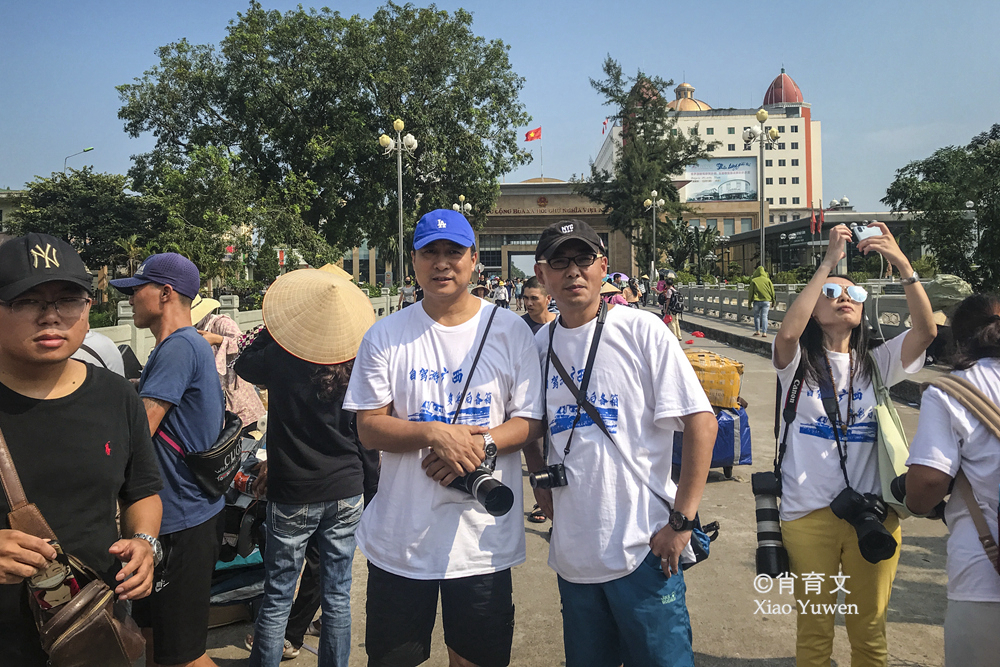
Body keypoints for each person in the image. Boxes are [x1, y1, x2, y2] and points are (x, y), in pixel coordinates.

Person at [343, 209, 545, 667]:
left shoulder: (510, 331)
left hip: (481, 543)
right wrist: (434, 433)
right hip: (402, 540)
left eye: (453, 251)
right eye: (429, 252)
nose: (441, 263)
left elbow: (530, 421)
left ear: (473, 259)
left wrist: (480, 446)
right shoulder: (386, 335)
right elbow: (368, 427)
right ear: (413, 261)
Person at [526, 219, 718, 667]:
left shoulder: (641, 330)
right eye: (560, 261)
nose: (573, 271)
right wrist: (538, 478)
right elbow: (528, 426)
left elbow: (701, 423)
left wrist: (682, 522)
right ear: (542, 274)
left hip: (645, 549)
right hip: (574, 556)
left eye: (583, 258)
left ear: (602, 266)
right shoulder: (537, 345)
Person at [771, 222, 936, 667]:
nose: (844, 298)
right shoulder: (796, 364)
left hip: (874, 513)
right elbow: (787, 335)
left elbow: (925, 332)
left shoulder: (877, 363)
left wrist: (902, 264)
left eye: (855, 294)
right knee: (815, 632)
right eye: (831, 292)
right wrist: (829, 262)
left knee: (870, 631)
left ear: (864, 309)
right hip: (807, 515)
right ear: (814, 308)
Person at [0, 233, 163, 667]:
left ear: (88, 308)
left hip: (94, 632)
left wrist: (145, 543)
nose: (51, 316)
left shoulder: (116, 395)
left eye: (68, 300)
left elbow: (142, 490)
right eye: (27, 301)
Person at [235, 269, 378, 667]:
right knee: (337, 595)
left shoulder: (280, 358)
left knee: (278, 594)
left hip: (293, 490)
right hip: (346, 489)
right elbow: (364, 437)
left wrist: (276, 328)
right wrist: (372, 489)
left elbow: (243, 363)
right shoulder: (358, 362)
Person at [110, 253, 227, 667]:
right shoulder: (188, 343)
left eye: (136, 290)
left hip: (180, 521)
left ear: (164, 293)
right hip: (182, 515)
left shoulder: (178, 347)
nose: (130, 300)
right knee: (151, 640)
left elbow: (139, 431)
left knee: (184, 656)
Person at [904, 293, 1000, 667]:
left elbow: (928, 482)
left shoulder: (954, 391)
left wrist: (915, 503)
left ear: (959, 339)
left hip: (984, 576)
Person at [191, 295, 265, 438]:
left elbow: (242, 344)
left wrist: (218, 340)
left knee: (243, 439)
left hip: (235, 395)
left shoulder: (220, 323)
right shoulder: (189, 331)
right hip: (212, 401)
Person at [748, 266, 775, 338]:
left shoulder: (754, 280)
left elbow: (751, 293)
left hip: (756, 301)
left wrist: (749, 303)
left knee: (756, 316)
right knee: (764, 316)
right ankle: (764, 332)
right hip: (766, 301)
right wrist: (773, 301)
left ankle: (757, 331)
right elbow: (772, 292)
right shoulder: (768, 280)